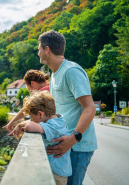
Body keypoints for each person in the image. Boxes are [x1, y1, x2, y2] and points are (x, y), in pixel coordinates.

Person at [37, 30, 97, 185]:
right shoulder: (55, 74)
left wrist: (72, 139)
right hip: (65, 145)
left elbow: (90, 108)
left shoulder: (71, 71)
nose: (38, 53)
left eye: (39, 48)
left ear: (47, 49)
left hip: (77, 146)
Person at [9, 91, 71, 185]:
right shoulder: (58, 120)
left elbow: (30, 126)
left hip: (56, 173)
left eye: (31, 117)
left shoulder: (53, 126)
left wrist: (27, 124)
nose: (31, 120)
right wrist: (20, 124)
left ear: (40, 114)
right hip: (58, 169)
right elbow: (35, 123)